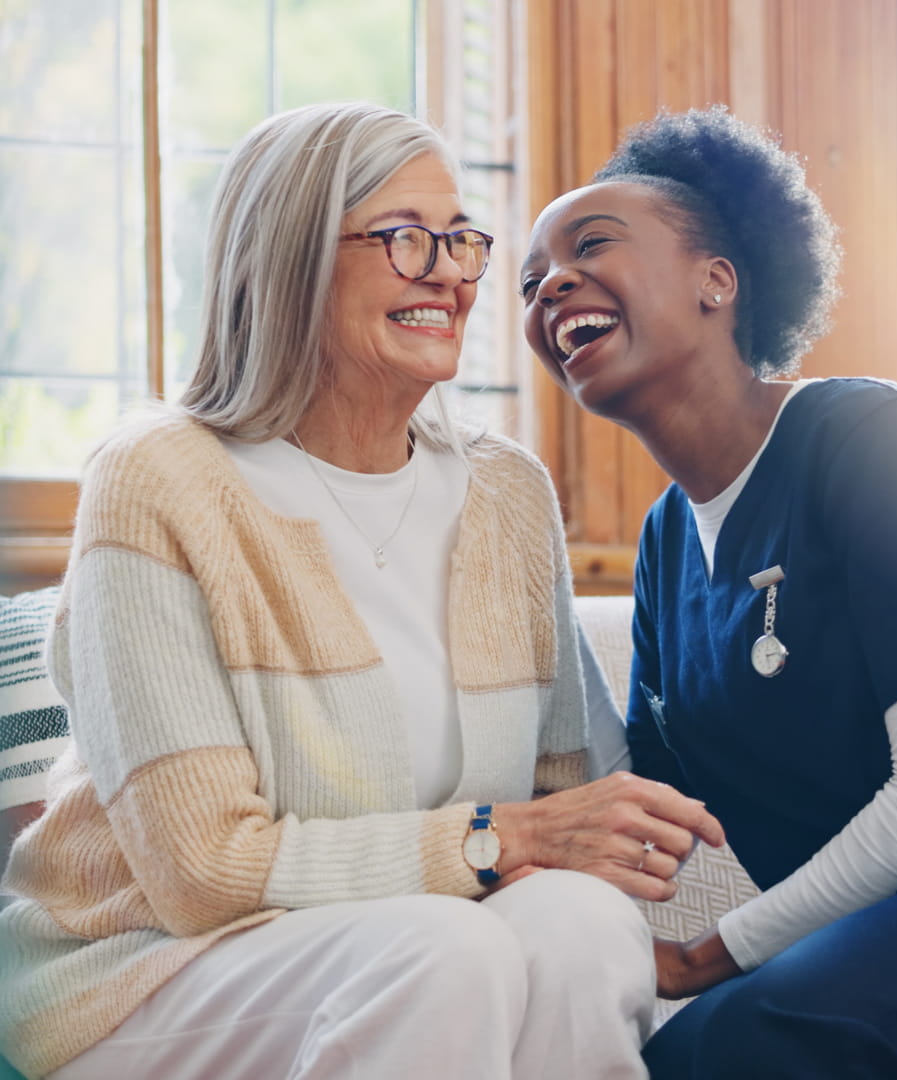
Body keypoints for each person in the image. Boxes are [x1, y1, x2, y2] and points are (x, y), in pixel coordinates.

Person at [0, 101, 725, 1080]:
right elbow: (202, 872)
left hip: (418, 953)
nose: (451, 273)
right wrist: (487, 840)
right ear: (291, 258)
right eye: (404, 238)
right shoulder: (160, 479)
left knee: (580, 917)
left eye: (462, 240)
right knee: (441, 947)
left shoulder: (504, 491)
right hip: (150, 971)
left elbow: (576, 800)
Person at [521, 104, 897, 1078]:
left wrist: (708, 954)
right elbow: (642, 805)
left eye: (591, 244)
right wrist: (508, 548)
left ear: (717, 281)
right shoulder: (663, 546)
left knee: (728, 1045)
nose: (551, 284)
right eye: (530, 283)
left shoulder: (867, 435)